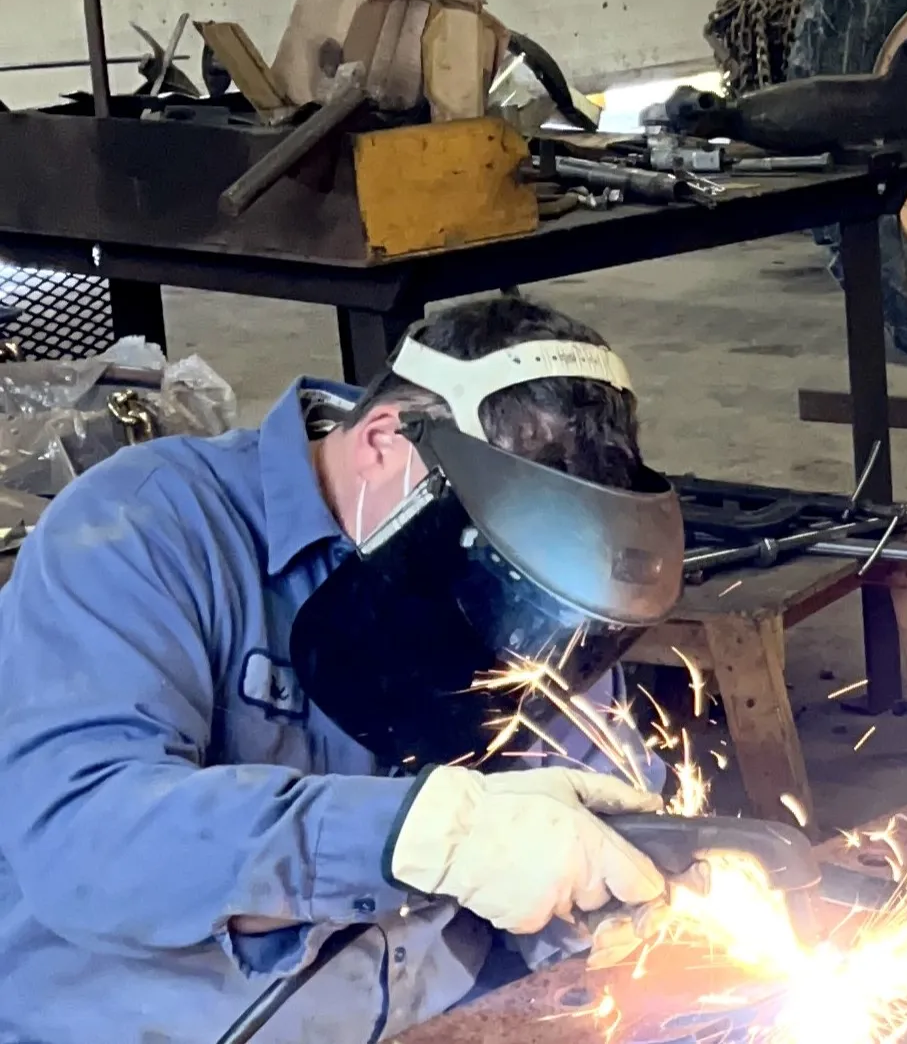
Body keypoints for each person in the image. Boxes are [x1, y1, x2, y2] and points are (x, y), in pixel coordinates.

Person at [0, 297, 690, 1043]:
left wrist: (628, 896)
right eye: (496, 555)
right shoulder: (143, 528)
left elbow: (594, 827)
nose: (508, 598)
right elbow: (85, 841)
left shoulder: (548, 574)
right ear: (384, 441)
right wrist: (420, 841)